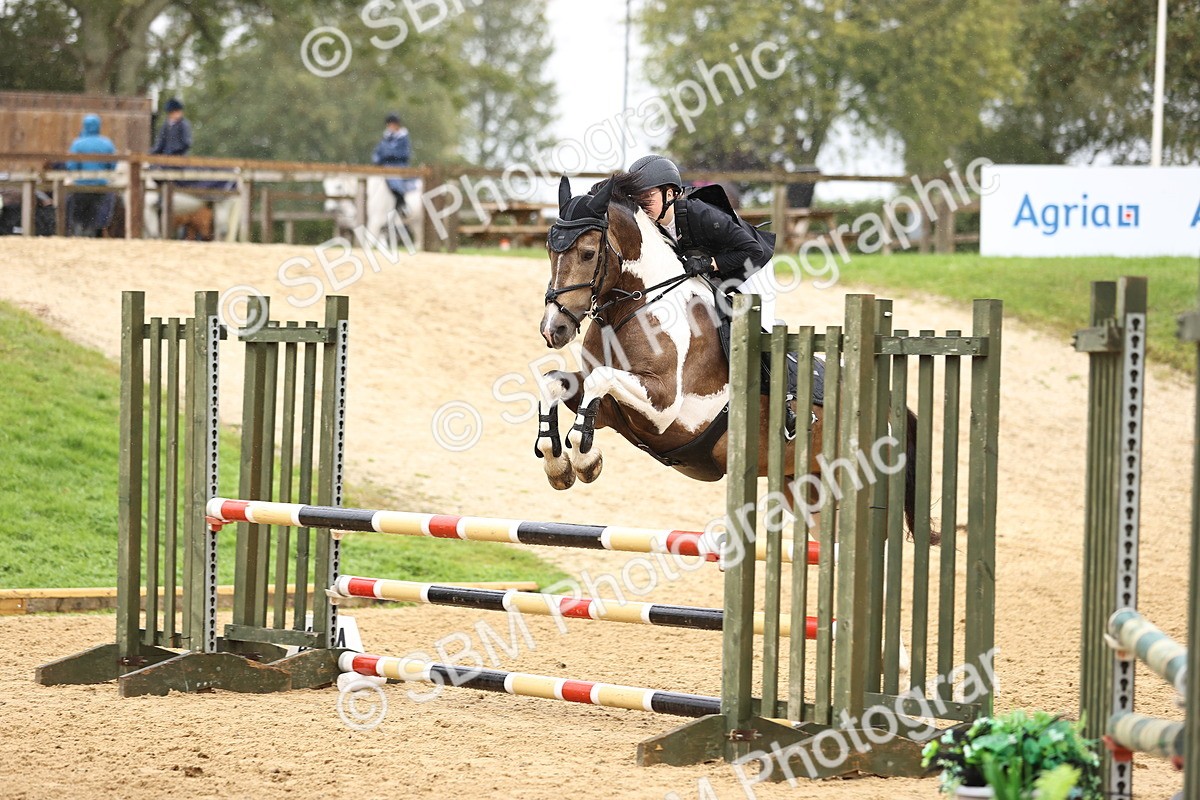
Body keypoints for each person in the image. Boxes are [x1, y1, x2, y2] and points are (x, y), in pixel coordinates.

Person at [628, 154, 778, 325]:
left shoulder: (701, 213)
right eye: (636, 199)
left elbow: (754, 250)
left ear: (669, 194)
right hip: (717, 277)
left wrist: (709, 263)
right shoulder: (653, 227)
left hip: (752, 270)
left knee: (757, 334)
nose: (642, 205)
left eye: (648, 197)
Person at [66, 113, 117, 236]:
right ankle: (95, 234)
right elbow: (113, 165)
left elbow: (71, 165)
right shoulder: (107, 143)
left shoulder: (77, 144)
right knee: (97, 217)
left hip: (80, 187)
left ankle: (79, 235)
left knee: (79, 217)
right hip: (101, 187)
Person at [372, 112, 411, 214]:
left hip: (398, 166)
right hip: (384, 166)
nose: (391, 126)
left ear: (397, 125)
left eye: (393, 124)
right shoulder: (385, 138)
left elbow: (404, 154)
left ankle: (401, 203)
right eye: (389, 124)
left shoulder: (403, 138)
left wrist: (389, 154)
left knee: (394, 182)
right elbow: (378, 152)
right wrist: (377, 159)